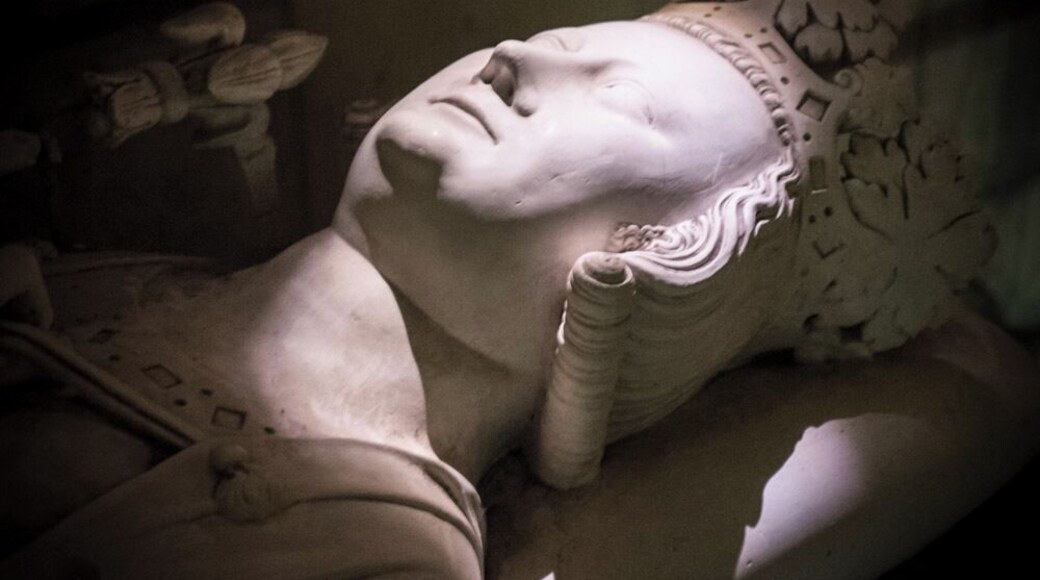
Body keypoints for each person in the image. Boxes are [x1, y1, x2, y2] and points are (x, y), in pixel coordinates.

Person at [1, 1, 1035, 578]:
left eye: (616, 95)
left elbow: (976, 384)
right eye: (553, 44)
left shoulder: (349, 549)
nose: (510, 59)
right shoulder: (140, 274)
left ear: (674, 264)